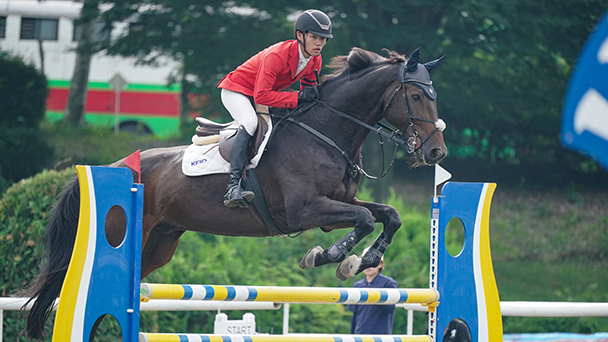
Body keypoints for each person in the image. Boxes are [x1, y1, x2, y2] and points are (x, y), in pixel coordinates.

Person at [217, 9, 333, 209]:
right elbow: (262, 95)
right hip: (237, 90)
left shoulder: (315, 60)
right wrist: (298, 97)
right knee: (250, 123)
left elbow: (308, 93)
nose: (319, 44)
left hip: (262, 94)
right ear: (299, 35)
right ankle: (233, 186)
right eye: (314, 37)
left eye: (323, 39)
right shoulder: (277, 55)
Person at [346, 248, 398, 334]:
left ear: (380, 264)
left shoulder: (388, 284)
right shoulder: (358, 286)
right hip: (360, 336)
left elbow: (390, 308)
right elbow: (355, 317)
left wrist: (371, 296)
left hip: (381, 337)